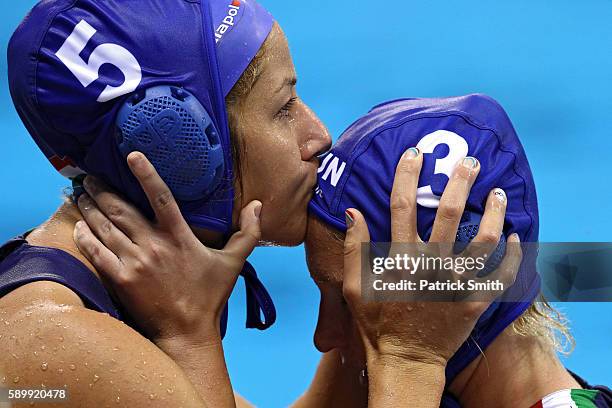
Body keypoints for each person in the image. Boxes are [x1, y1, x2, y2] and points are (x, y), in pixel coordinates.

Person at [0, 0, 511, 407]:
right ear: (181, 147)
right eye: (284, 106)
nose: (319, 136)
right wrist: (409, 359)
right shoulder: (59, 341)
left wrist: (375, 299)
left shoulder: (116, 302)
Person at [77, 96, 611, 407]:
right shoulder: (398, 362)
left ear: (457, 301)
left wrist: (410, 361)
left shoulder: (408, 359)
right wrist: (189, 324)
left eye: (350, 302)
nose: (323, 337)